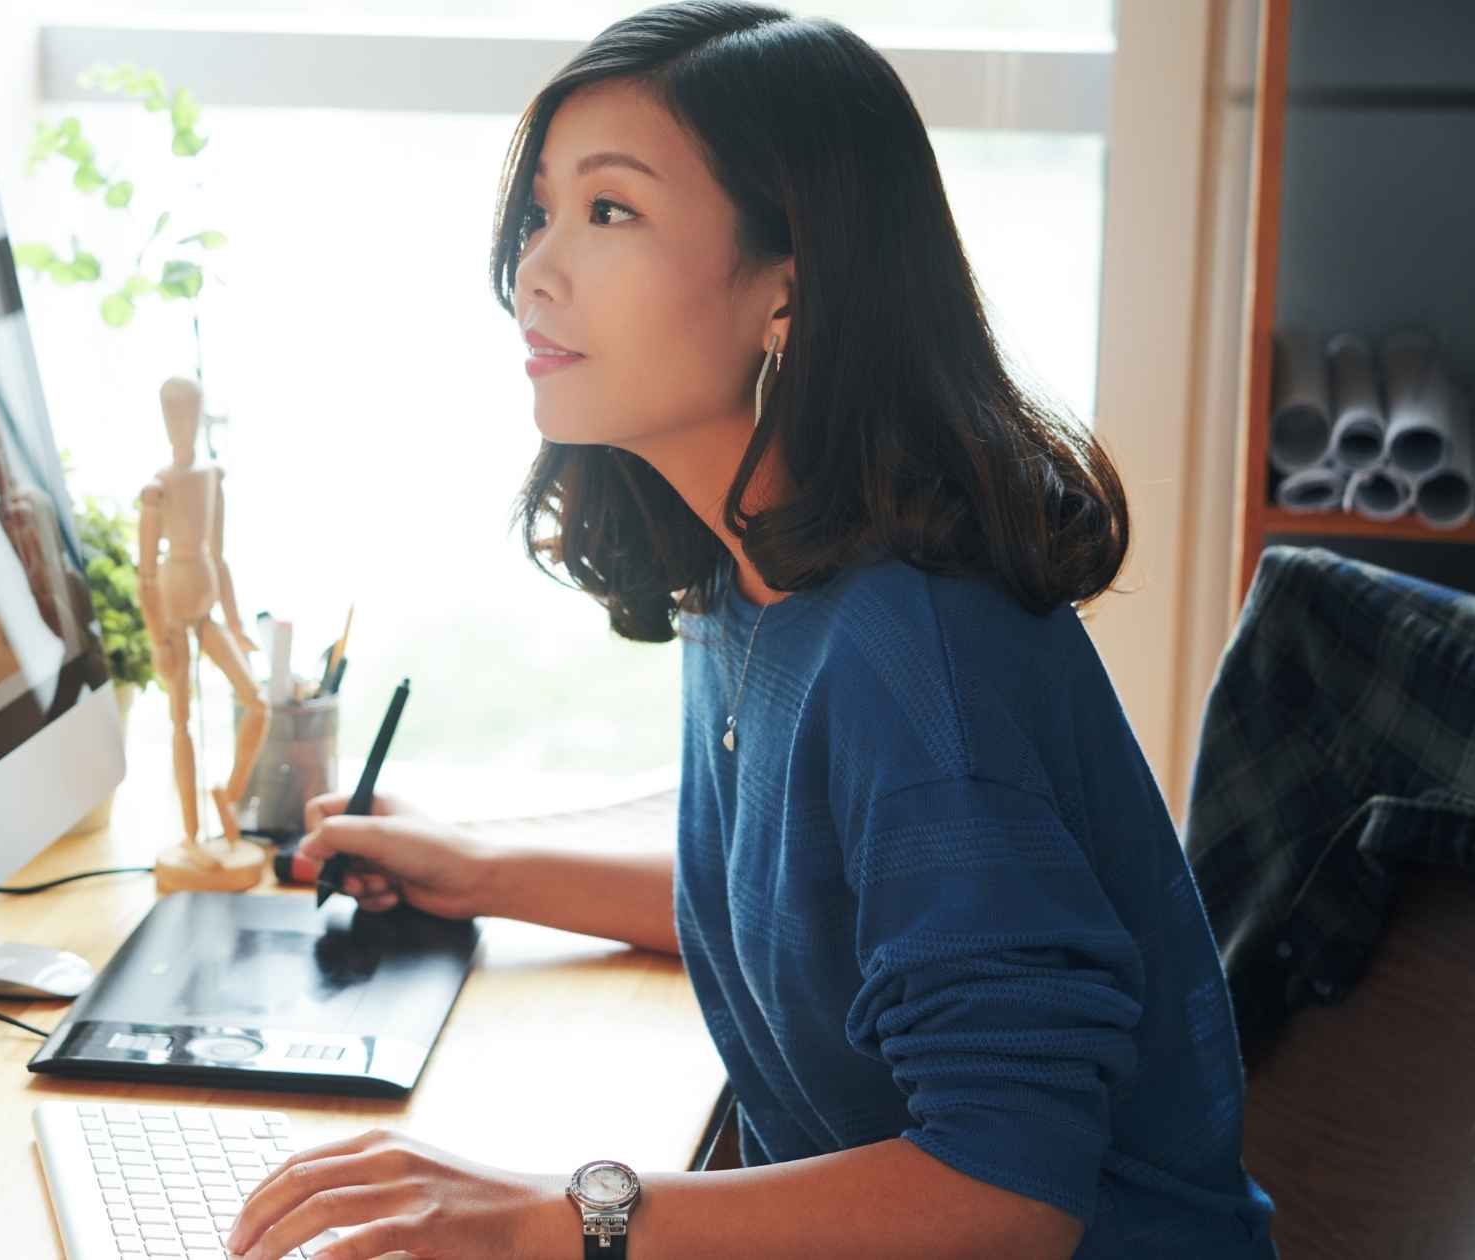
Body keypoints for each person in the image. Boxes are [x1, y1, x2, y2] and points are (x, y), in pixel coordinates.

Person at [221, 4, 1278, 1258]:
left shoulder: (912, 654)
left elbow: (1008, 1189)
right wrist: (486, 870)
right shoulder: (754, 574)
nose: (535, 270)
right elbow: (810, 918)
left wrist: (543, 1219)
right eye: (541, 212)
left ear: (787, 285)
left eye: (609, 211)